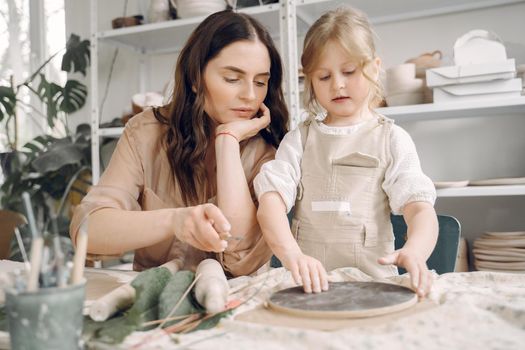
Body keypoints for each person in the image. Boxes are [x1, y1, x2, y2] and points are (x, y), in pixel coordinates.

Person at [70, 10, 289, 276]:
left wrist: (227, 141)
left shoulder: (268, 150)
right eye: (232, 79)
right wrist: (175, 221)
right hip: (153, 304)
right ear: (196, 79)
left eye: (260, 82)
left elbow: (240, 256)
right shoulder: (146, 133)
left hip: (237, 305)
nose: (250, 95)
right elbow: (88, 231)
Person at [255, 7, 438, 296]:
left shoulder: (391, 138)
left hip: (374, 286)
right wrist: (292, 255)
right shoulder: (298, 140)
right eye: (324, 77)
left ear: (375, 67)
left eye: (349, 71)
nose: (338, 84)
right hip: (309, 290)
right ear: (310, 81)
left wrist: (415, 251)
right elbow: (270, 204)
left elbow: (420, 209)